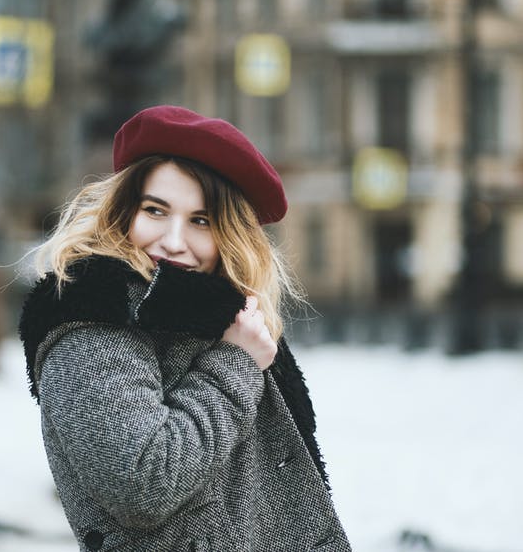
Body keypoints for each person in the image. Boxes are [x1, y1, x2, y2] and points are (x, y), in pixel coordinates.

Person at [19, 105, 350, 551]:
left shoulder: (222, 319)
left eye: (201, 220)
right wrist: (234, 365)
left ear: (230, 235)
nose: (173, 241)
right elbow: (142, 482)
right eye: (156, 211)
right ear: (125, 212)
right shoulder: (92, 319)